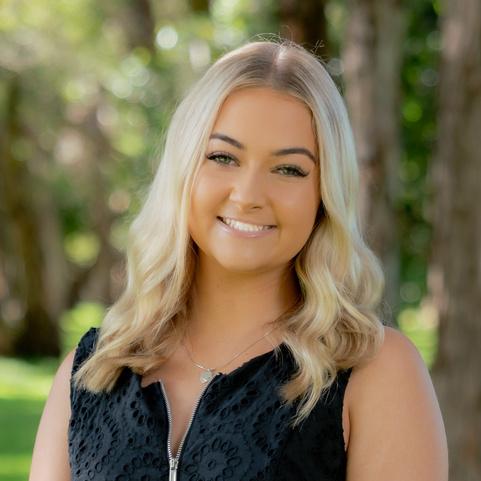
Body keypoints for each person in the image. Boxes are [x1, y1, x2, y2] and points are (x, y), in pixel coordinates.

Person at [29, 38, 448, 481]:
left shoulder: (374, 371)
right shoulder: (91, 372)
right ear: (183, 171)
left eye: (288, 169)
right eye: (223, 157)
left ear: (324, 194)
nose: (248, 195)